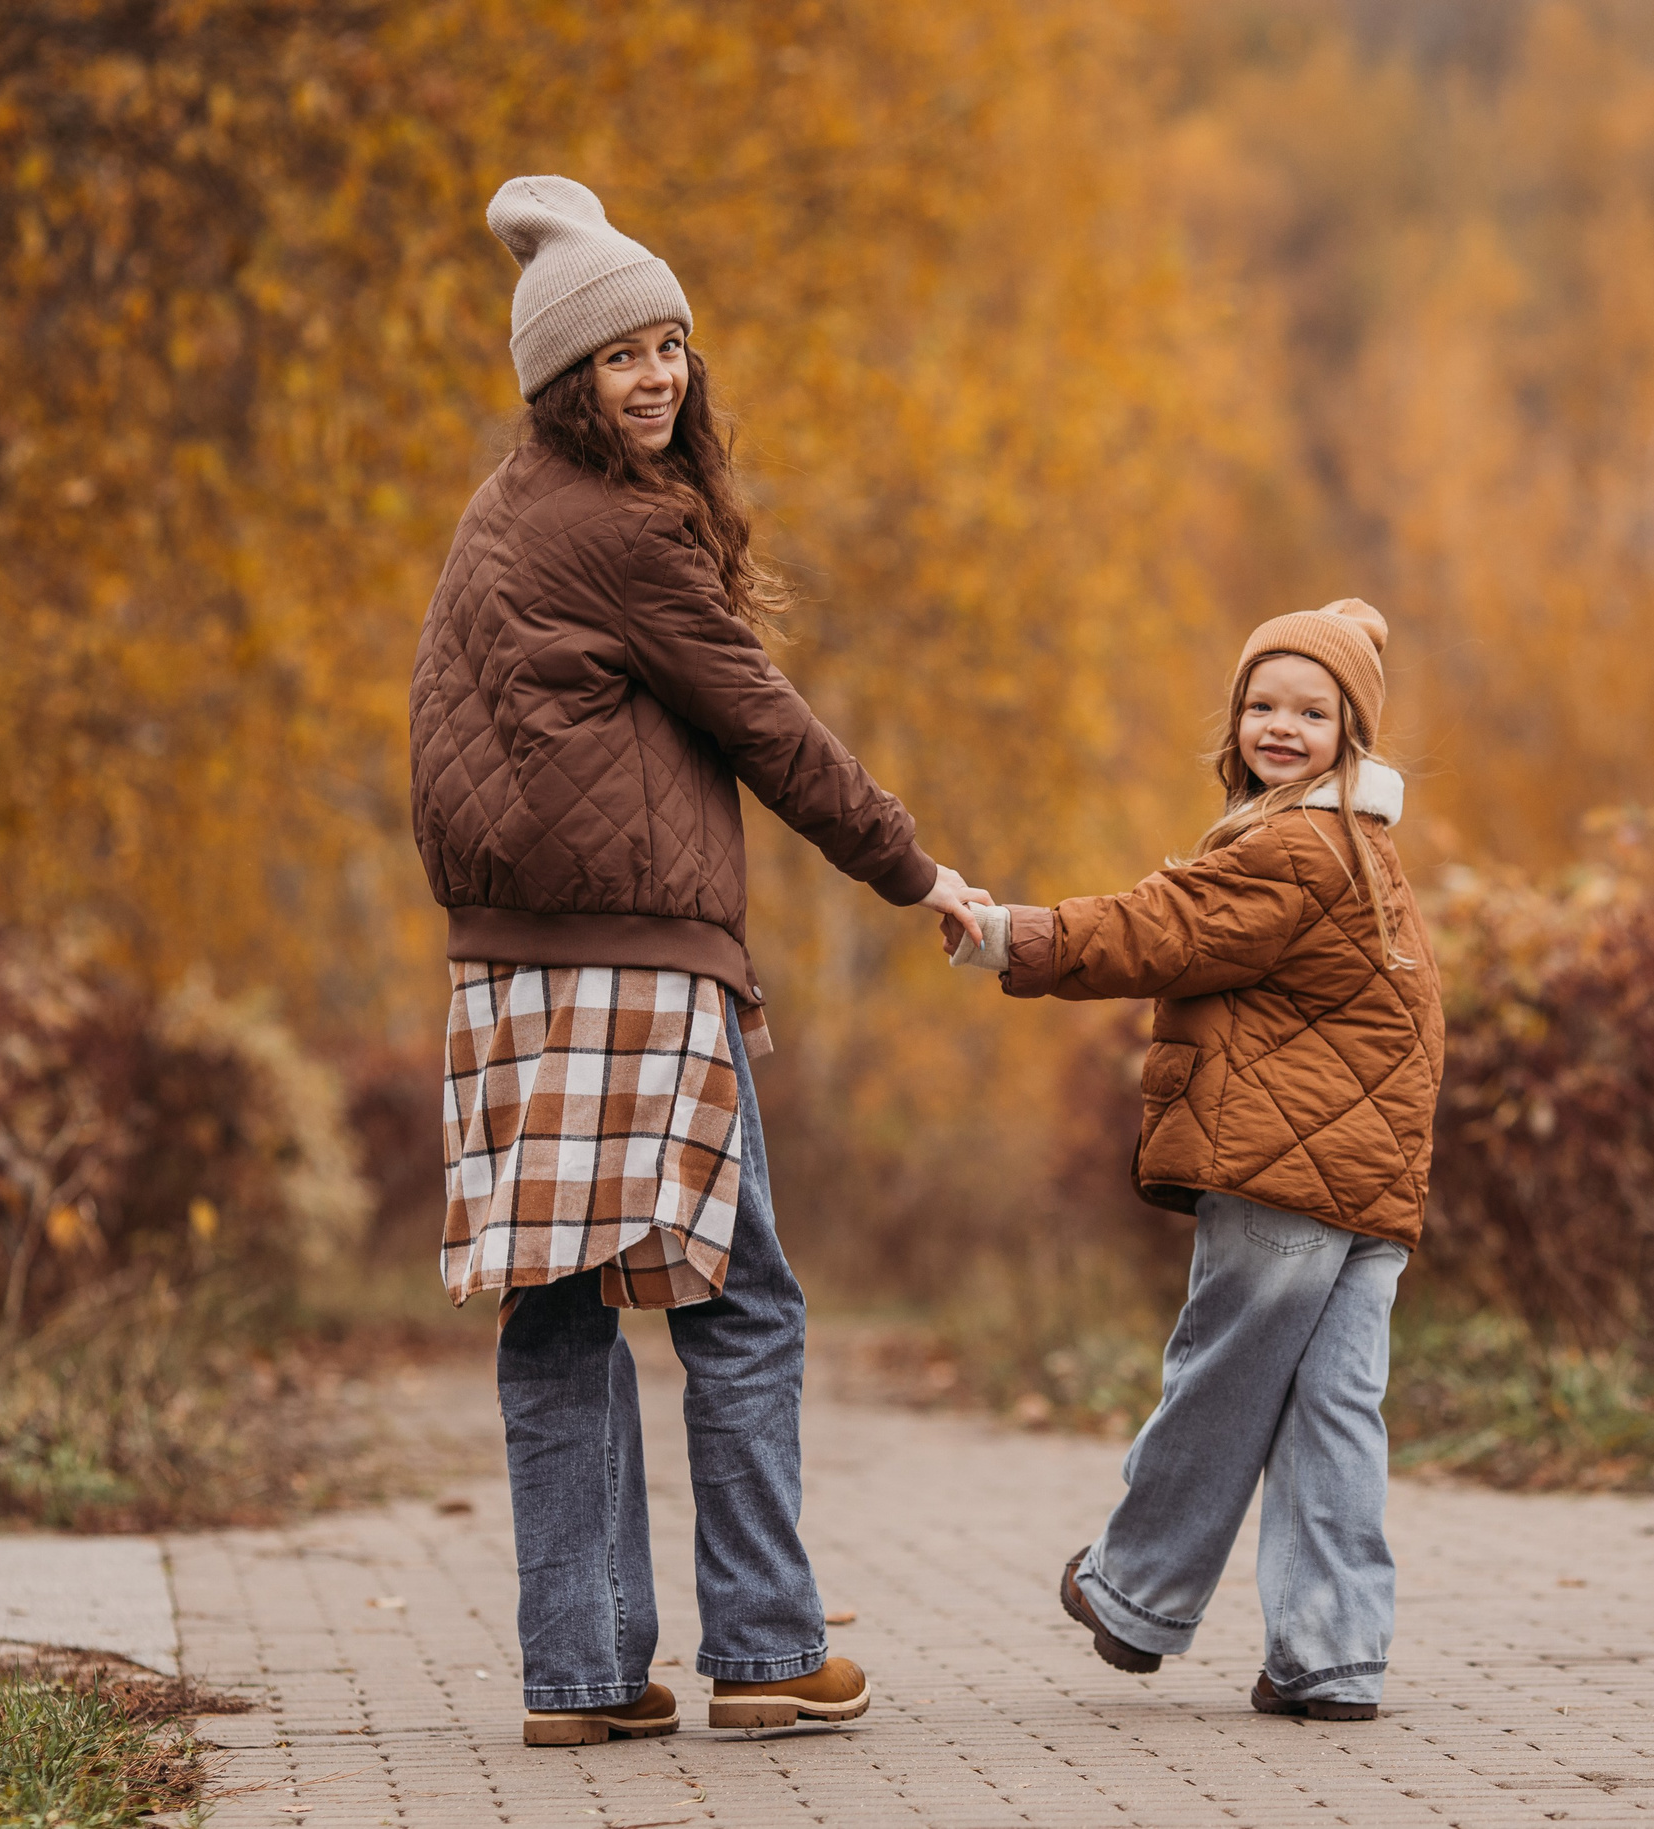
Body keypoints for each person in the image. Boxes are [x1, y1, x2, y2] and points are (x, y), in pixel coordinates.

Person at [408, 174, 988, 1747]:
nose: (658, 376)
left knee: (559, 1311)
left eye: (670, 345)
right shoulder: (623, 532)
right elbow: (770, 729)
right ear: (563, 381)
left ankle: (585, 1675)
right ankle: (769, 1650)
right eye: (621, 356)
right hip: (638, 973)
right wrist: (916, 870)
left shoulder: (505, 511)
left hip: (510, 978)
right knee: (742, 1304)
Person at [948, 600, 1444, 1719]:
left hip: (1283, 1174)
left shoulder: (1292, 846)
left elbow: (1153, 929)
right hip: (1368, 1186)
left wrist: (1009, 936)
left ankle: (1135, 1592)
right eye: (1262, 704)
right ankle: (1332, 1652)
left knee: (1220, 1377)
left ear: (1351, 734)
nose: (1281, 727)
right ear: (1234, 719)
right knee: (1332, 1410)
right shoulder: (1368, 852)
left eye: (1311, 711)